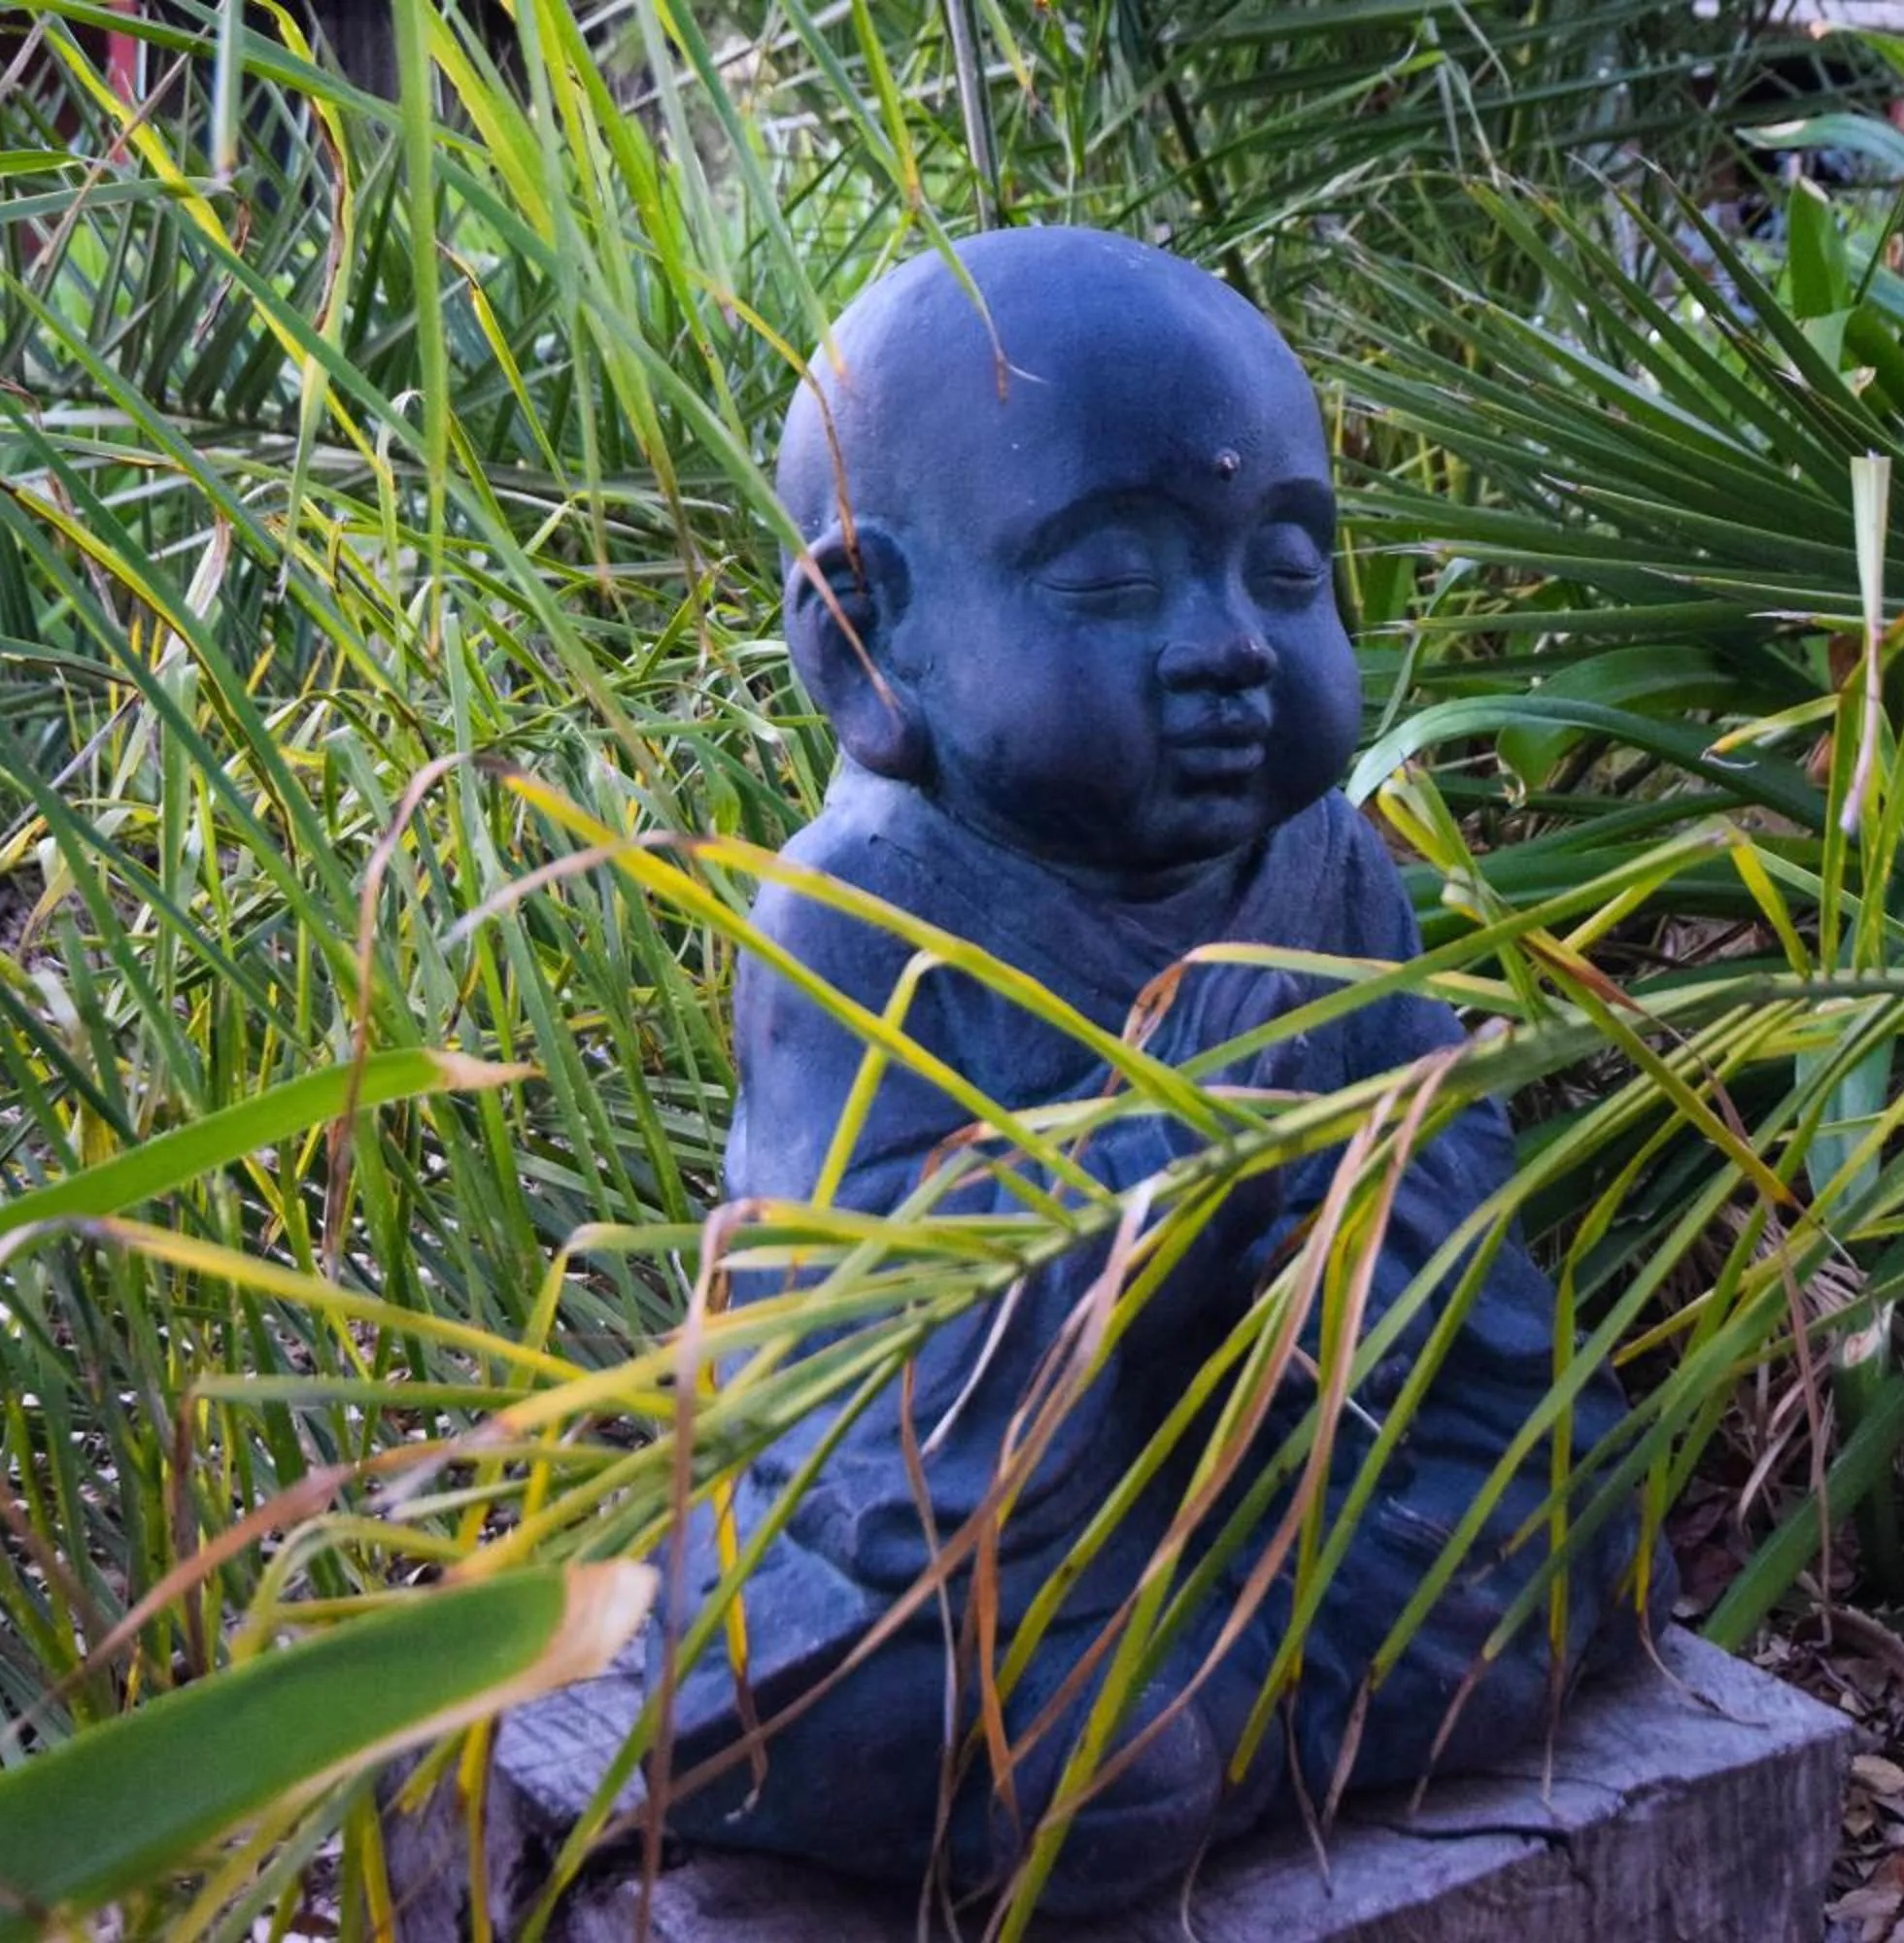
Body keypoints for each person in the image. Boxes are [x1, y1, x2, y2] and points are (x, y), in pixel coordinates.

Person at [655, 224, 1652, 1918]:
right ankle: (1232, 1710)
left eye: (1284, 568)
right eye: (1113, 582)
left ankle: (1236, 1690)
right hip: (975, 1552)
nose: (1230, 649)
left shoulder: (1328, 870)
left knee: (1569, 1549)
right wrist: (1175, 1180)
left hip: (1267, 1473)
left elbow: (1457, 1259)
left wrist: (1392, 1220)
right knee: (956, 1717)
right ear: (860, 644)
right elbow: (885, 1390)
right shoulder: (855, 929)